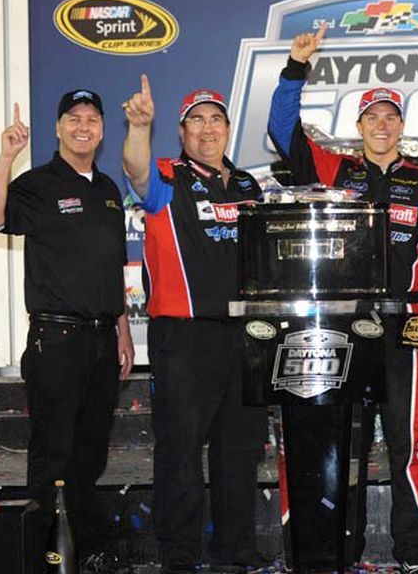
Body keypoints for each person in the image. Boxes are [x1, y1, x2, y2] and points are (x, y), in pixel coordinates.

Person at [267, 23, 418, 573]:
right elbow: (283, 133)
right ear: (358, 127)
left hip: (405, 329)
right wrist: (293, 69)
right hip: (340, 332)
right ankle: (333, 554)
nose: (381, 125)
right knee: (333, 451)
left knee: (406, 453)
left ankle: (413, 556)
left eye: (390, 117)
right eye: (371, 117)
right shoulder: (338, 172)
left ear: (402, 125)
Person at [0, 91, 134, 574]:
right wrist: (6, 156)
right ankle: (45, 556)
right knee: (54, 453)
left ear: (102, 130)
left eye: (92, 119)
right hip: (57, 340)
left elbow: (112, 267)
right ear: (59, 128)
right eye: (73, 119)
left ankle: (81, 551)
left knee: (90, 454)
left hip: (104, 339)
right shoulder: (37, 183)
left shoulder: (109, 188)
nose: (83, 127)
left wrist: (124, 330)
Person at [122, 76, 268, 574]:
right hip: (184, 335)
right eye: (196, 121)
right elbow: (135, 171)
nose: (207, 130)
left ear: (228, 128)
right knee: (181, 450)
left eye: (216, 120)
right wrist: (138, 127)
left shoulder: (249, 185)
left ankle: (236, 550)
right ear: (181, 131)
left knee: (241, 450)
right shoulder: (167, 176)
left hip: (245, 335)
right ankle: (180, 555)